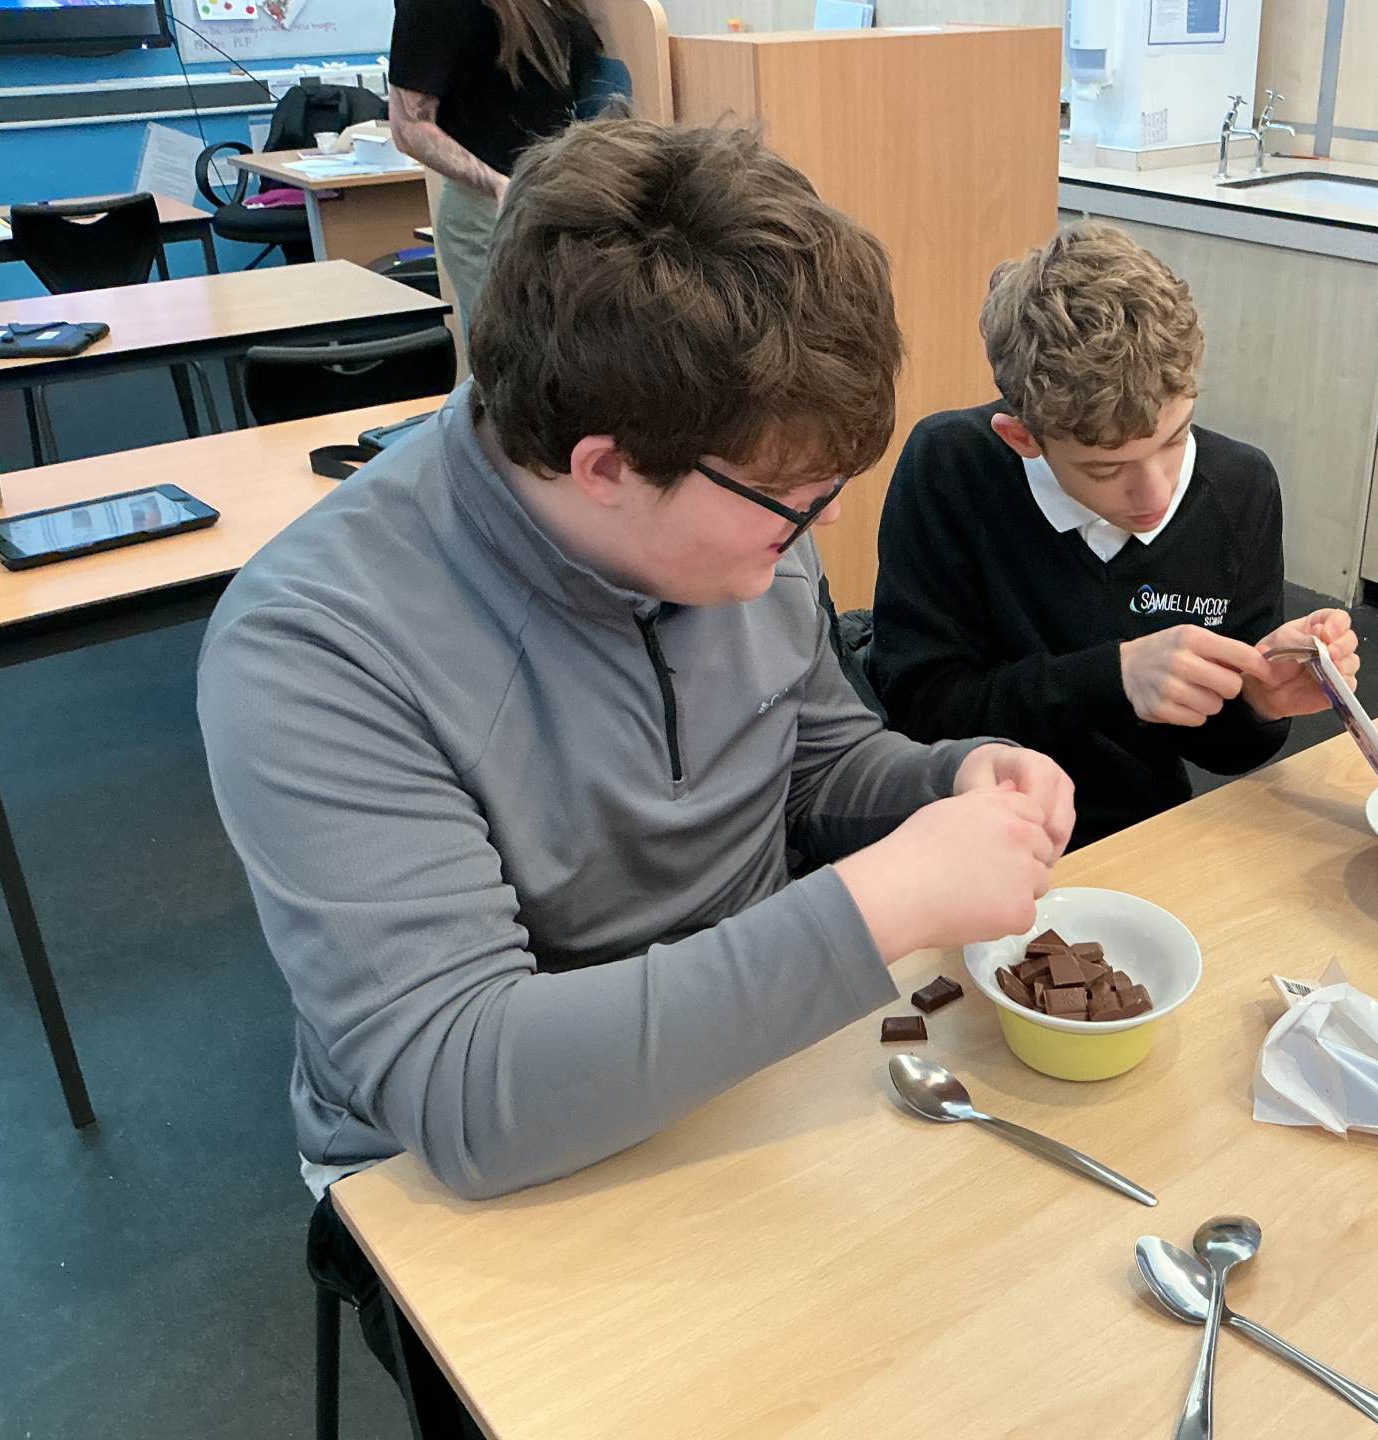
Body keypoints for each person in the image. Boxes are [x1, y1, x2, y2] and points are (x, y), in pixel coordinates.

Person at [197, 119, 1074, 1438]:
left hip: (761, 1059)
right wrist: (881, 904)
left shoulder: (738, 489)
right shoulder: (315, 648)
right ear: (604, 466)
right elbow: (465, 1093)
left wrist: (950, 783)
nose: (824, 524)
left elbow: (813, 754)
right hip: (474, 1173)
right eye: (796, 499)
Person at [870, 222, 1361, 849]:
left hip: (1143, 834)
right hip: (972, 829)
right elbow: (921, 710)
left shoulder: (1241, 487)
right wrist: (1115, 677)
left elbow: (1225, 753)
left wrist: (1261, 701)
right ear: (1023, 439)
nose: (1156, 495)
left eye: (1176, 439)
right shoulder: (950, 466)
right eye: (1106, 470)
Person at [387, 0, 602, 331]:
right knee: (519, 351)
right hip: (493, 209)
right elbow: (408, 127)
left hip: (560, 200)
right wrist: (500, 185)